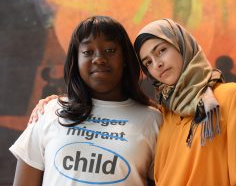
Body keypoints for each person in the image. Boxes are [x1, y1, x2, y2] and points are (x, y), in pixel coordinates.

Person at [29, 18, 236, 185]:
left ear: (182, 44)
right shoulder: (164, 112)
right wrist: (54, 102)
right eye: (148, 62)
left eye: (161, 50)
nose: (158, 64)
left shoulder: (230, 97)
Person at [9, 16, 162, 186]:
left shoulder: (153, 120)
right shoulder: (49, 112)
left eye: (110, 50)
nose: (99, 58)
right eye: (88, 52)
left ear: (125, 58)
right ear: (76, 61)